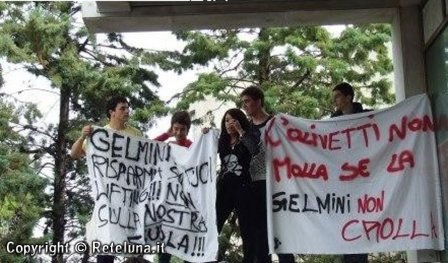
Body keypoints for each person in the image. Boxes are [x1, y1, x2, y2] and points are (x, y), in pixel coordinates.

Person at [70, 96, 142, 263]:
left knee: (135, 247)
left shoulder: (136, 134)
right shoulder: (99, 134)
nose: (126, 111)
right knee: (105, 246)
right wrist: (83, 137)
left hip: (130, 200)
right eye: (122, 108)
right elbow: (73, 155)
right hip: (108, 200)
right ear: (112, 112)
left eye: (127, 108)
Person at [240, 86, 295, 263]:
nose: (245, 106)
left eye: (247, 101)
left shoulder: (276, 123)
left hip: (276, 185)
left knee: (281, 235)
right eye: (243, 103)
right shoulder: (247, 128)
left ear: (259, 101)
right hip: (254, 187)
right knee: (260, 239)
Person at [211, 108, 260, 263]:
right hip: (224, 189)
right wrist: (205, 133)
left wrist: (241, 131)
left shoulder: (247, 137)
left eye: (232, 120)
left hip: (243, 189)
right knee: (213, 225)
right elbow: (205, 149)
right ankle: (210, 258)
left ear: (239, 121)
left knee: (247, 230)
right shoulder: (222, 140)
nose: (228, 123)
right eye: (226, 120)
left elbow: (254, 149)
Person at [331, 82, 370, 263]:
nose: (335, 100)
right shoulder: (333, 120)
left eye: (338, 96)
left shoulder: (368, 116)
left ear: (348, 97)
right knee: (345, 224)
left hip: (364, 178)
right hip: (343, 181)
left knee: (362, 223)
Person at [154, 110, 192, 263]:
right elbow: (149, 147)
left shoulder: (193, 147)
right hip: (168, 201)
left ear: (187, 130)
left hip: (186, 201)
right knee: (164, 245)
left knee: (188, 243)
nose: (178, 132)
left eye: (182, 129)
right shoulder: (168, 145)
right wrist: (166, 135)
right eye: (175, 129)